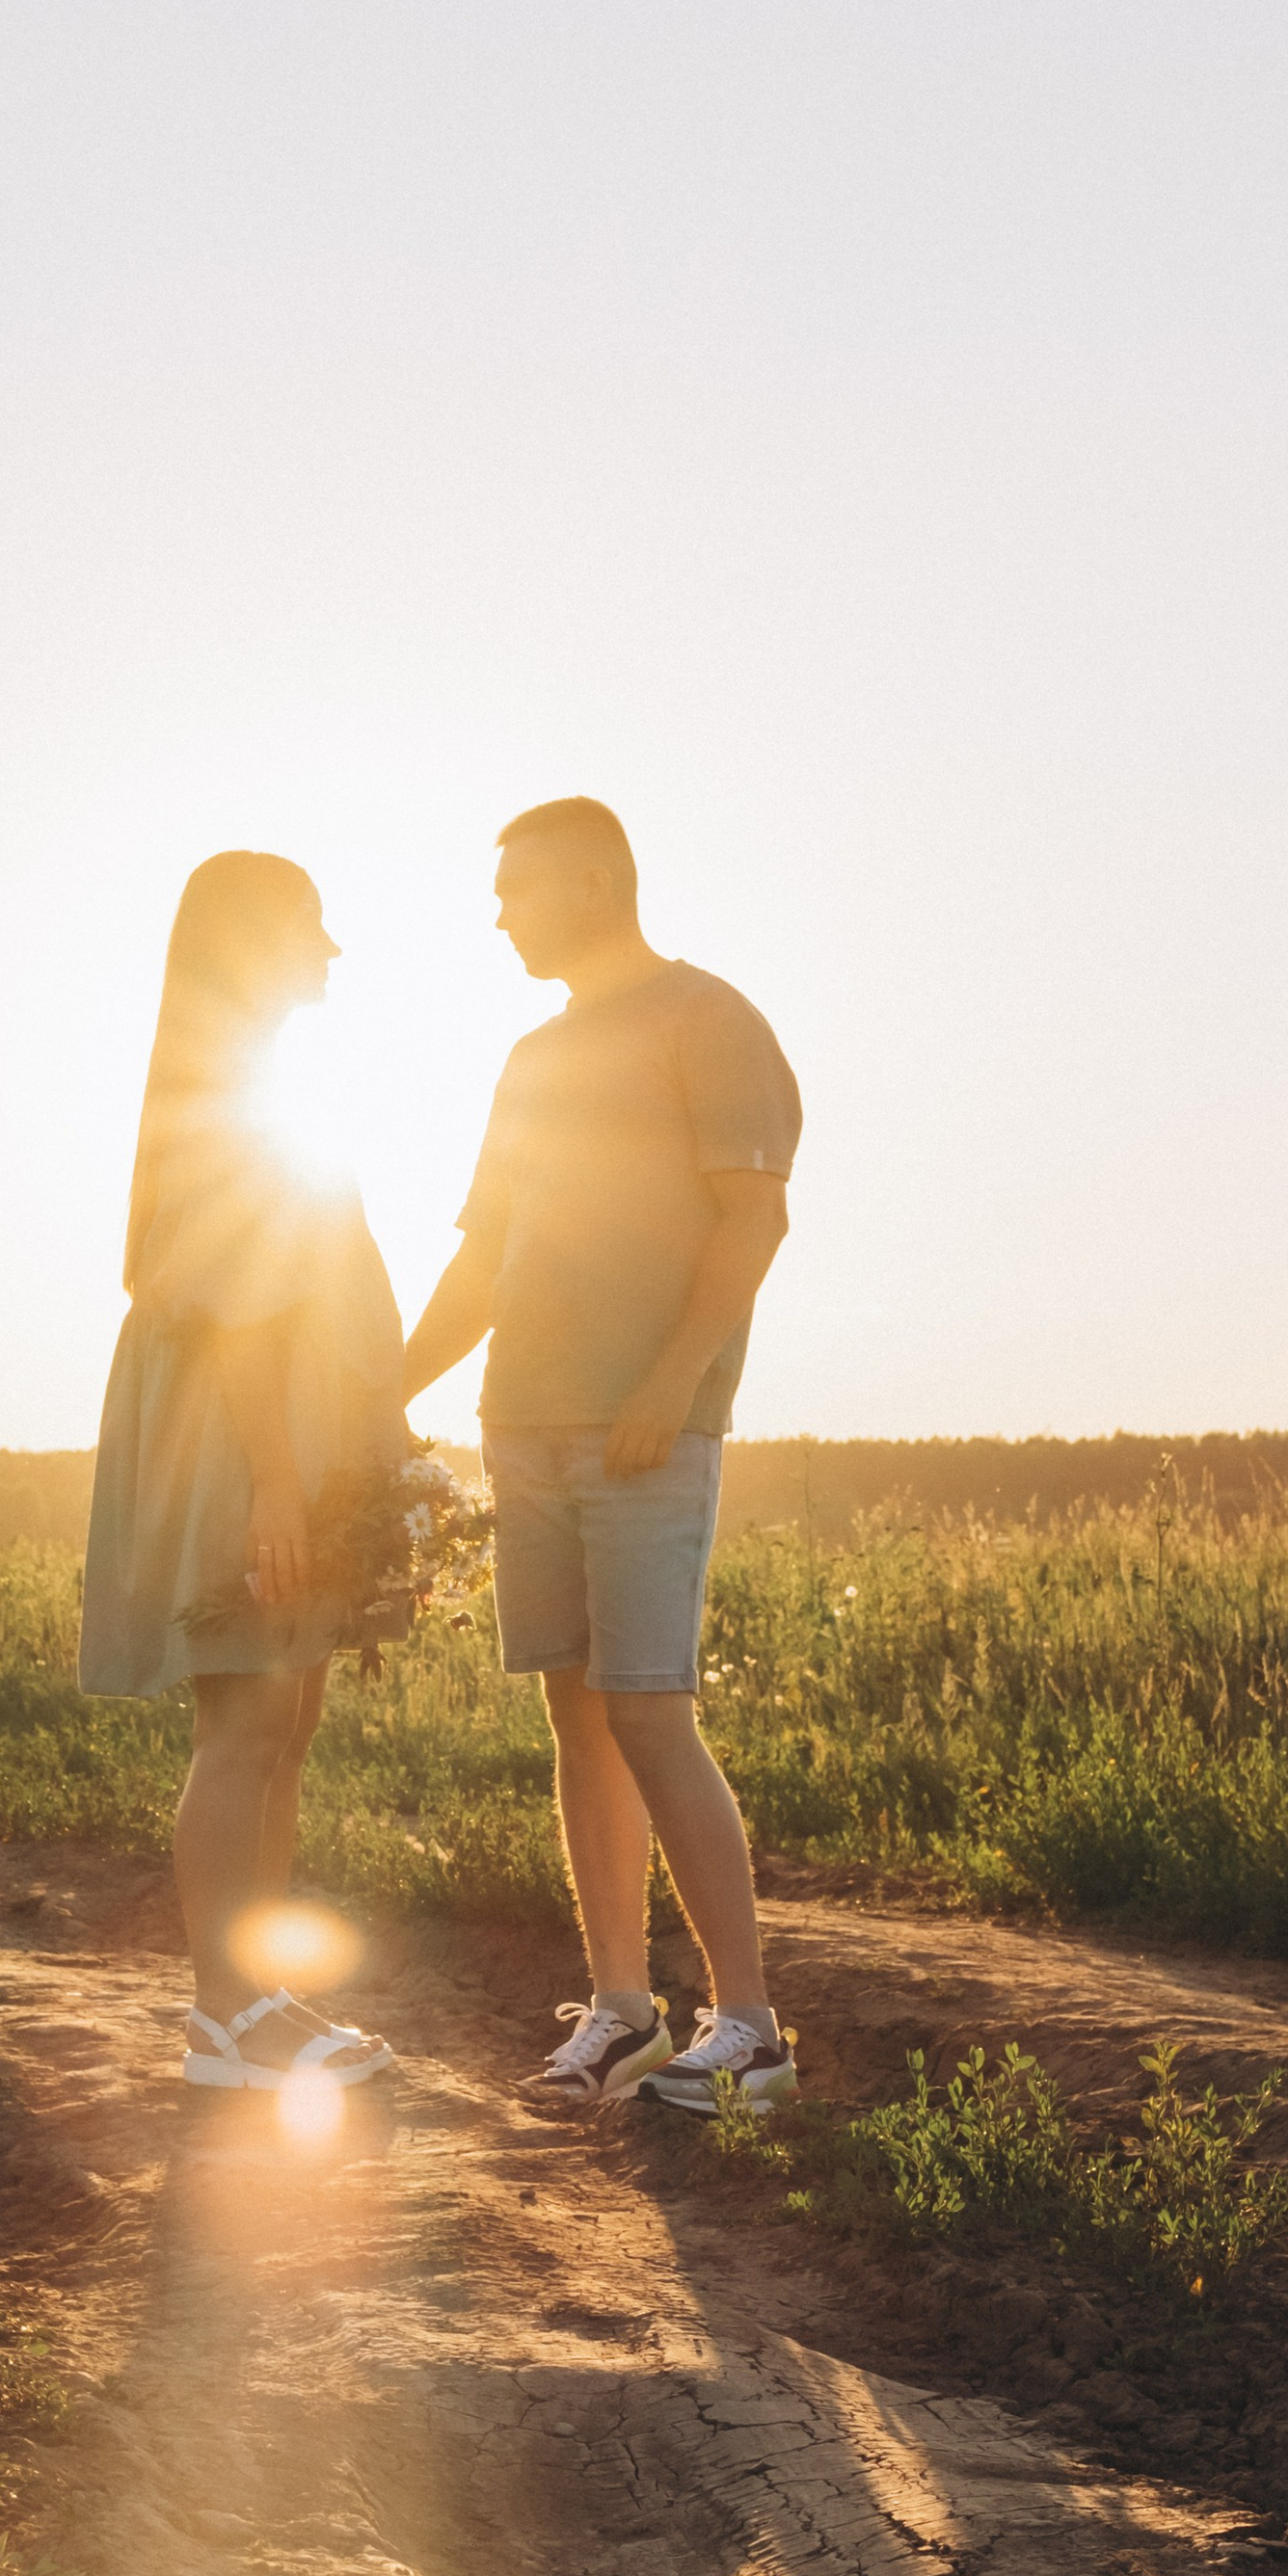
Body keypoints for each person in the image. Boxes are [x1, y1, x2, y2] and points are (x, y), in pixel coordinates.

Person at [400, 796, 803, 2113]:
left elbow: (752, 1219)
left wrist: (675, 1380)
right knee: (576, 1714)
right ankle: (625, 2012)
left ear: (591, 879)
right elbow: (485, 1256)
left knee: (648, 1708)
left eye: (516, 885)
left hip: (645, 1430)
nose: (500, 910)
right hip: (524, 1424)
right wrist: (383, 1386)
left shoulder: (710, 1021)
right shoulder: (530, 1057)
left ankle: (748, 2027)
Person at [81, 851, 406, 2095]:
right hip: (242, 1433)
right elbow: (240, 1314)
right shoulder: (228, 1083)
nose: (333, 948)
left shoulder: (268, 1076)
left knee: (288, 1719)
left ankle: (255, 1996)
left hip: (296, 1432)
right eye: (313, 925)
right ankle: (224, 2012)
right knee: (248, 1716)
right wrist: (278, 1479)